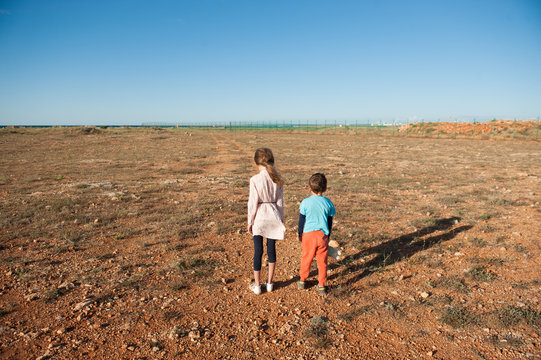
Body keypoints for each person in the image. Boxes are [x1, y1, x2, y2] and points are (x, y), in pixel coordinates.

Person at [247, 148, 286, 295]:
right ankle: (269, 283)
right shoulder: (278, 179)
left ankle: (257, 285)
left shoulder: (255, 180)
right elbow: (280, 203)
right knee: (271, 249)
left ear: (257, 162)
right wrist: (281, 219)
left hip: (259, 217)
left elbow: (252, 203)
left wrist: (250, 221)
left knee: (258, 251)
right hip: (274, 216)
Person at [297, 173, 336, 295]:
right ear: (325, 188)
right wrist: (328, 236)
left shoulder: (305, 202)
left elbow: (301, 220)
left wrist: (300, 234)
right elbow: (330, 221)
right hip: (322, 236)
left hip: (308, 235)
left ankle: (302, 280)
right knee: (322, 261)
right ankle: (322, 285)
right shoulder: (328, 203)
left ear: (309, 188)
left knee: (306, 258)